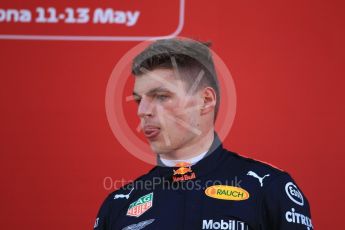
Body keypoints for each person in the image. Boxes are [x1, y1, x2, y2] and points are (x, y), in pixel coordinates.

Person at [94, 38, 313, 230]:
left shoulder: (269, 187)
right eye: (139, 100)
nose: (143, 111)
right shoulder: (119, 203)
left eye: (161, 96)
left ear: (205, 101)